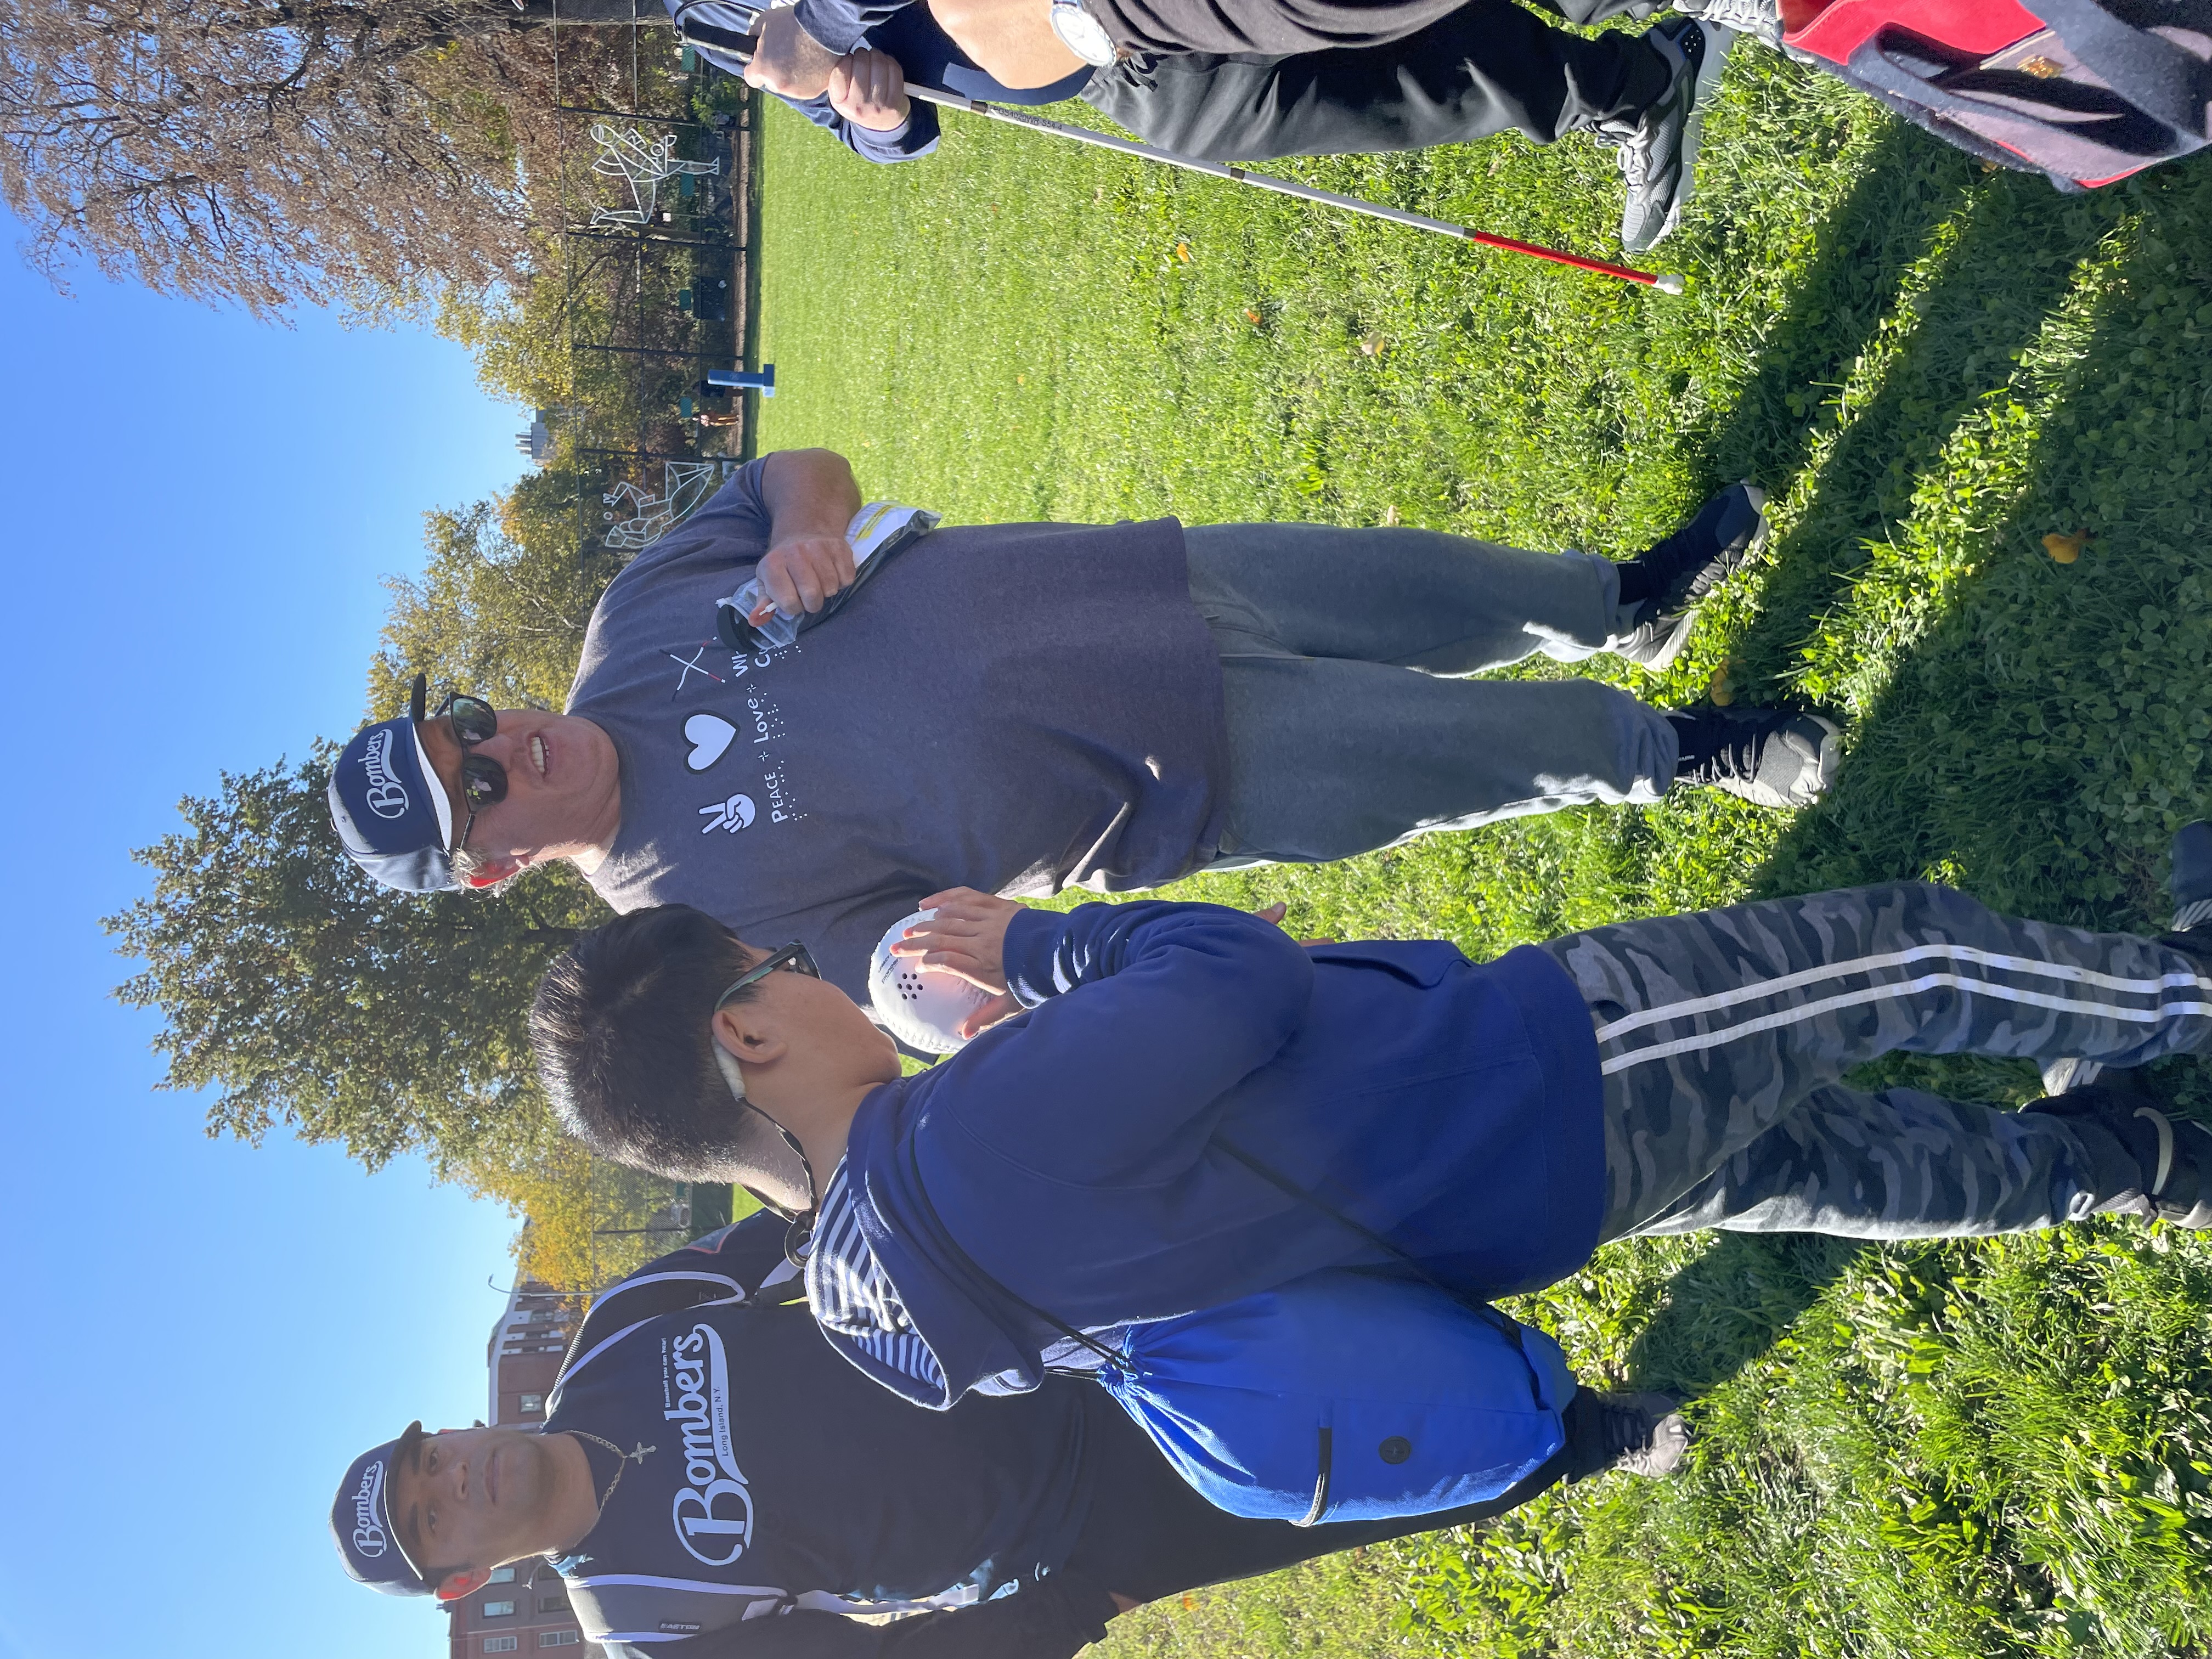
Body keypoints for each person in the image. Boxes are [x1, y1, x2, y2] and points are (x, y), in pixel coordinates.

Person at [529, 822, 2212, 1416]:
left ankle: (2132, 1160)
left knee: (1808, 1168)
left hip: (1487, 1216)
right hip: (1531, 1082)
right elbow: (1236, 976)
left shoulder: (871, 1309)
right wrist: (1037, 950)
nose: (815, 969)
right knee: (1877, 959)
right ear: (746, 1032)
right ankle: (2186, 999)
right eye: (774, 965)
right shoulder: (960, 1143)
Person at [327, 446, 1838, 1001]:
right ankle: (1700, 754)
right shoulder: (687, 917)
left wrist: (809, 522)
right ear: (492, 868)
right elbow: (905, 973)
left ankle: (1627, 599)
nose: (500, 743)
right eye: (476, 787)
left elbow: (794, 469)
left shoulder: (630, 628)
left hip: (1136, 579)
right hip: (1174, 779)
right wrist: (973, 1006)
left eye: (464, 720)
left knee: (1430, 590)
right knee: (1475, 759)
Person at [329, 1210, 1681, 1658]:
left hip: (1046, 1329)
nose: (451, 1478)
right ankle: (1589, 1442)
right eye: (430, 1516)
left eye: (423, 1460)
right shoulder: (647, 1618)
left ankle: (1531, 1257)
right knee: (1350, 1483)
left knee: (1311, 1288)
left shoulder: (621, 1329)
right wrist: (1086, 1599)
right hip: (1077, 1521)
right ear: (465, 1579)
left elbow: (809, 1221)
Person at [712, 0, 1731, 252]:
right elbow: (850, 121)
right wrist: (871, 113)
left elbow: (813, 34)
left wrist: (819, 21)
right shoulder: (700, 24)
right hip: (1089, 78)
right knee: (1372, 92)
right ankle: (1630, 85)